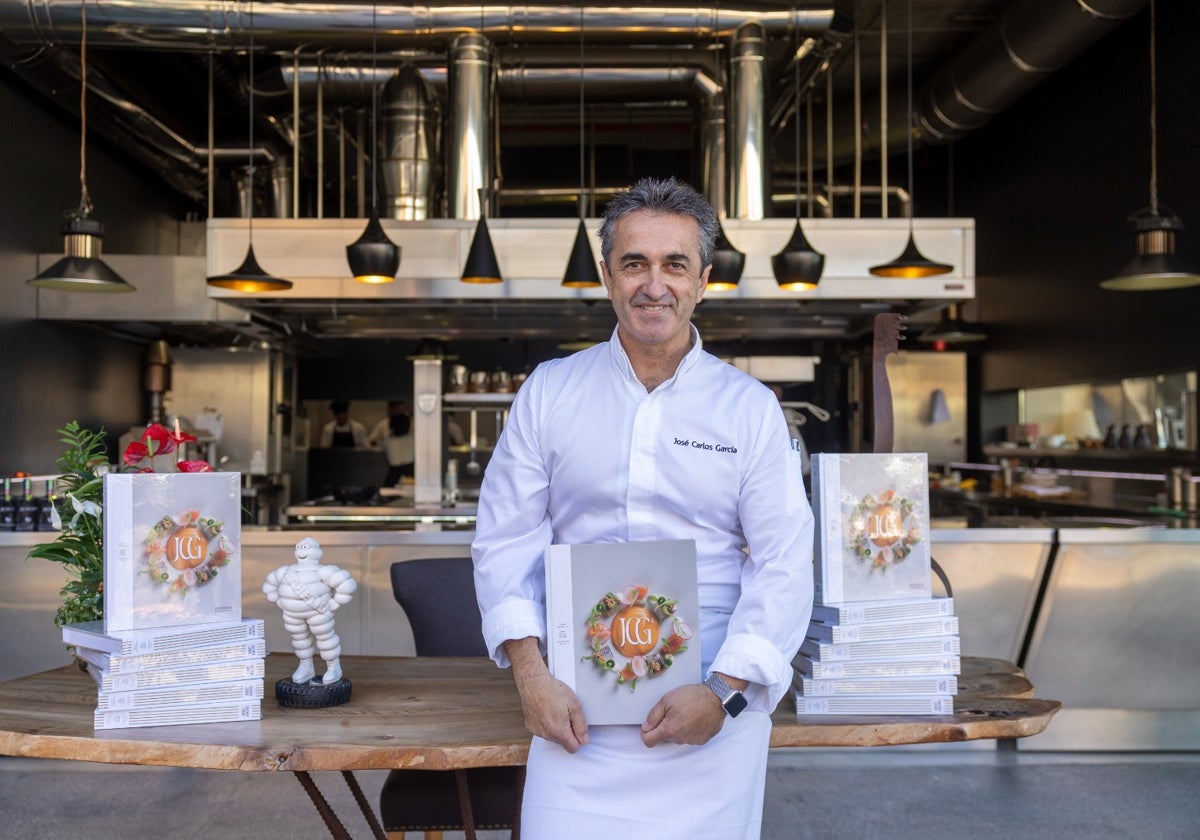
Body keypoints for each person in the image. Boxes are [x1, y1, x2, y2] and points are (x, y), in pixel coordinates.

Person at [472, 176, 814, 838]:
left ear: (703, 280)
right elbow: (504, 540)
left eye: (674, 264)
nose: (653, 285)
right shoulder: (550, 391)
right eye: (635, 263)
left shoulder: (749, 409)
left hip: (710, 706)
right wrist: (530, 677)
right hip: (576, 713)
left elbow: (783, 559)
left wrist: (724, 692)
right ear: (607, 276)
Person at [262, 537, 358, 685]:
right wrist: (282, 603)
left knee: (326, 639)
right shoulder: (286, 571)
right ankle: (305, 666)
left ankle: (334, 667)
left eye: (306, 548)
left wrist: (333, 604)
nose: (302, 551)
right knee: (300, 641)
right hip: (292, 616)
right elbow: (270, 584)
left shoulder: (323, 571)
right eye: (300, 547)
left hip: (318, 613)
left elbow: (346, 586)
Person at [369, 400, 415, 486]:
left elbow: (374, 442)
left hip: (406, 470)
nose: (399, 411)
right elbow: (371, 442)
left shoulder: (387, 440)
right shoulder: (412, 437)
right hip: (399, 471)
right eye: (396, 408)